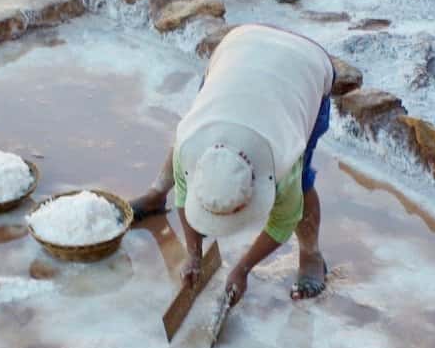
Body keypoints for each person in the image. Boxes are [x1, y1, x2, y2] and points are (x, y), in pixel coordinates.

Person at [130, 24, 335, 303]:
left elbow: (283, 221)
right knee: (187, 138)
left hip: (303, 66)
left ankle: (311, 254)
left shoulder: (282, 160)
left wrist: (242, 268)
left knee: (302, 182)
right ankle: (156, 195)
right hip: (238, 50)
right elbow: (185, 187)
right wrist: (193, 254)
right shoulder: (191, 144)